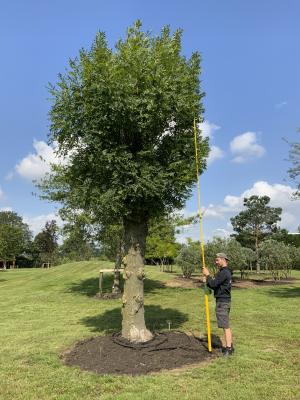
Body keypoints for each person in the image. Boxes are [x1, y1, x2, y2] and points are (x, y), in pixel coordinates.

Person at [202, 253, 234, 356]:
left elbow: (213, 284)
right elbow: (215, 285)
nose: (215, 262)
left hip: (222, 302)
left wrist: (207, 275)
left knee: (225, 326)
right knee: (226, 325)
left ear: (223, 260)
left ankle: (228, 349)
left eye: (217, 260)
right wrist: (207, 280)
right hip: (225, 301)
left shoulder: (224, 272)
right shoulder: (225, 272)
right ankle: (230, 346)